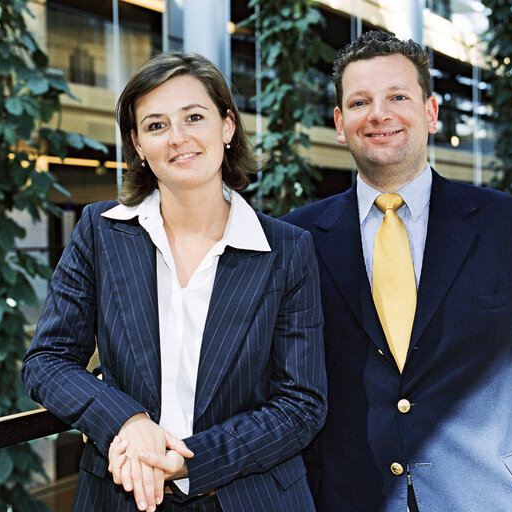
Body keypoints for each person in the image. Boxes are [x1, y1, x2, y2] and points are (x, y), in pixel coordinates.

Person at [282, 31, 512, 512]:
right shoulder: (298, 238)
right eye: (360, 102)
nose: (379, 114)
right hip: (346, 497)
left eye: (398, 96)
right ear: (339, 122)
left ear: (431, 112)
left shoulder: (510, 225)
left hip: (497, 499)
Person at [21, 52, 327, 512]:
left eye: (194, 117)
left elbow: (301, 405)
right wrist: (126, 422)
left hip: (250, 496)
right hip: (119, 495)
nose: (178, 138)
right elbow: (47, 360)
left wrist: (187, 461)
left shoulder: (286, 250)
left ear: (227, 127)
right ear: (138, 145)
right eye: (156, 125)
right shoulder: (100, 232)